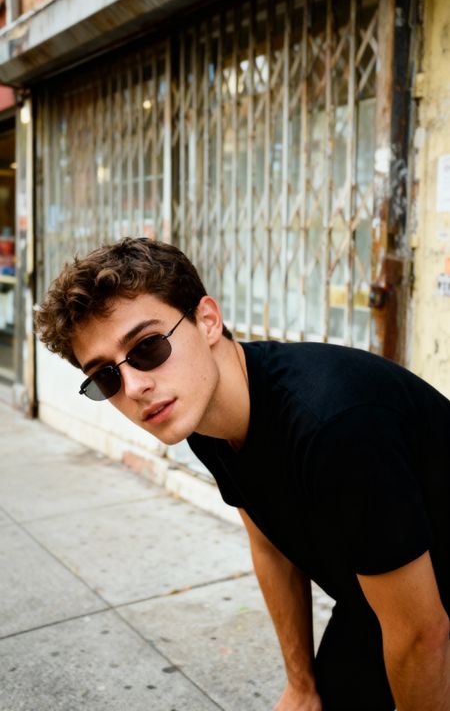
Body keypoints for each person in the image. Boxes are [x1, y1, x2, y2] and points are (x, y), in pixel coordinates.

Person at [35, 236, 449, 711]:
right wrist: (301, 685)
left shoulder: (334, 425)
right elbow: (269, 545)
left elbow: (423, 634)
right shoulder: (201, 415)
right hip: (381, 603)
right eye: (106, 376)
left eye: (148, 347)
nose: (135, 387)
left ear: (207, 320)